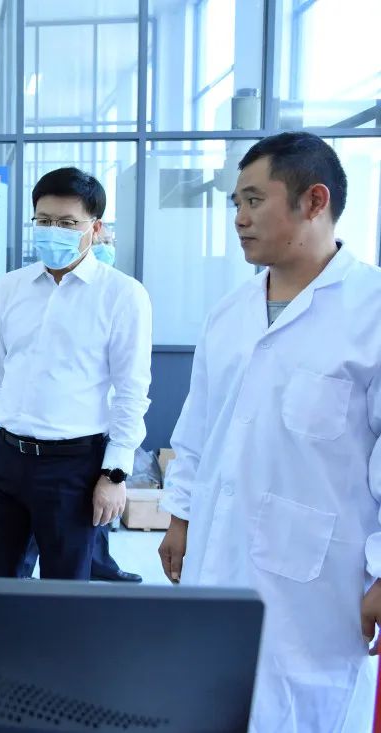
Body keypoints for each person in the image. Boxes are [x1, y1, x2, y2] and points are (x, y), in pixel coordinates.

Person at [159, 132, 381, 731]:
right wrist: (180, 515)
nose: (239, 218)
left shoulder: (372, 311)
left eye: (254, 201)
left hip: (319, 588)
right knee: (209, 699)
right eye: (236, 203)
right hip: (216, 557)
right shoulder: (229, 312)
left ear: (314, 201)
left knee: (299, 710)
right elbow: (198, 425)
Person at [0, 167, 152, 581]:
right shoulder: (10, 287)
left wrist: (114, 472)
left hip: (74, 466)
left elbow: (131, 391)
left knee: (65, 589)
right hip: (6, 456)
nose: (54, 231)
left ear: (95, 228)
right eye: (44, 221)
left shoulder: (123, 295)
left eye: (68, 223)